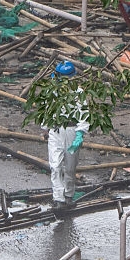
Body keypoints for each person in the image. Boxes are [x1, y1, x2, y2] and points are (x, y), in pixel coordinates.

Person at [44, 61, 90, 212]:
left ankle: (69, 195)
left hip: (71, 129)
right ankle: (58, 198)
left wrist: (80, 134)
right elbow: (46, 111)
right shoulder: (52, 92)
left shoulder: (78, 93)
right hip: (56, 129)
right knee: (55, 165)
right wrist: (46, 129)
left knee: (70, 167)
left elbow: (84, 114)